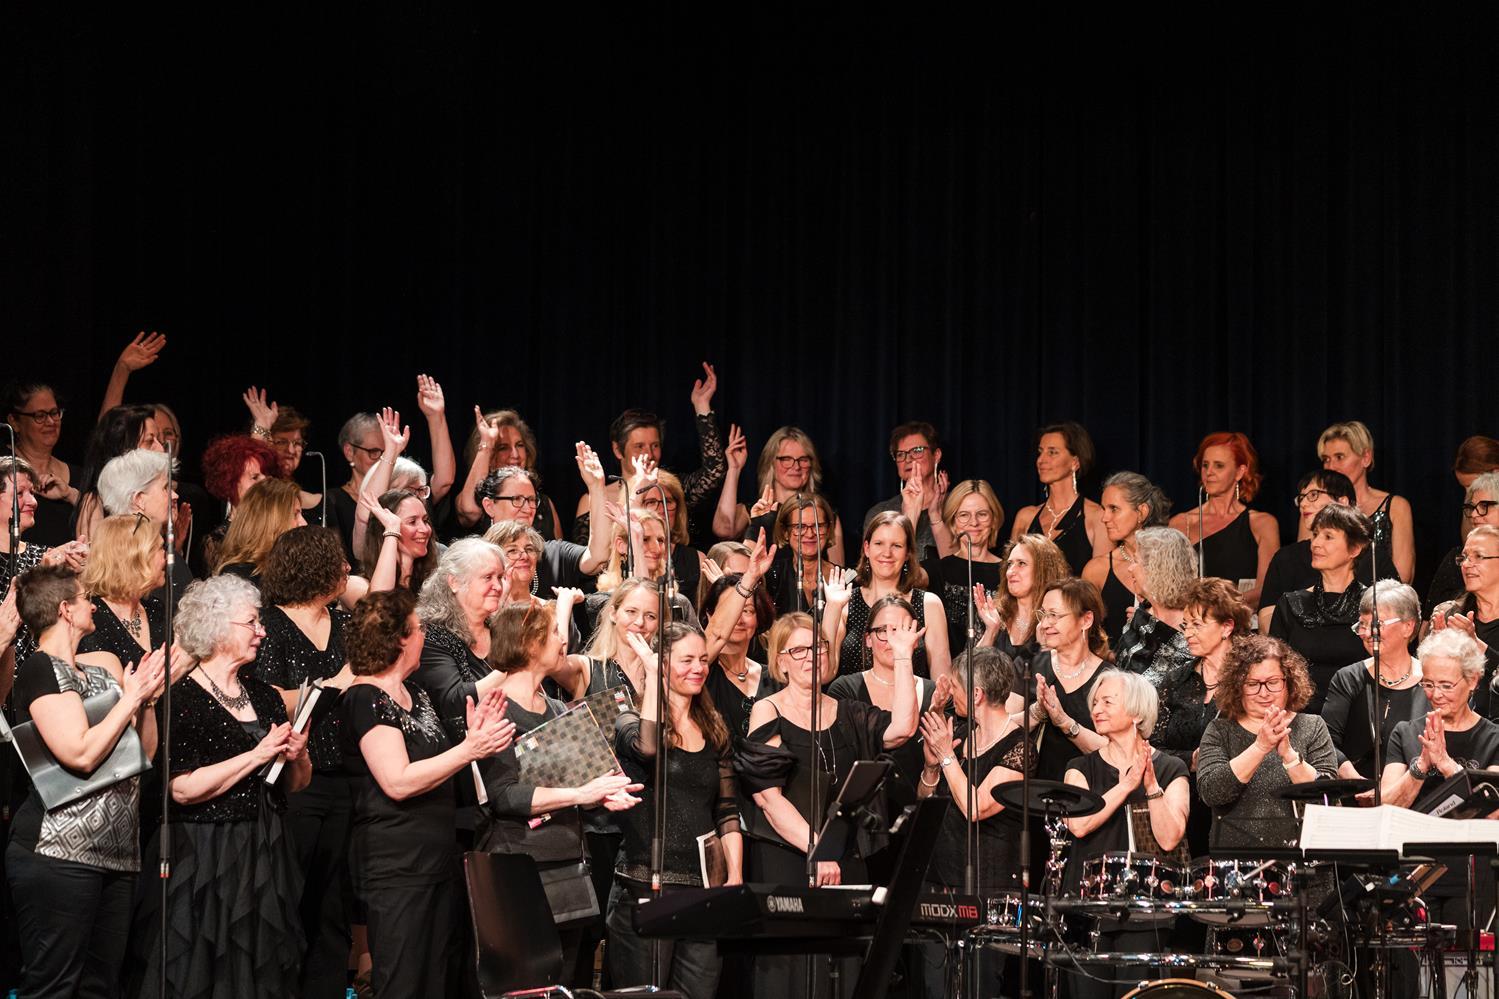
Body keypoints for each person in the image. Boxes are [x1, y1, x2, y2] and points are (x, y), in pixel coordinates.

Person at [133, 574, 310, 999]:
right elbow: (181, 790)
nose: (261, 631)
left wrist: (299, 755)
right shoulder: (181, 698)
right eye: (252, 622)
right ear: (216, 626)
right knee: (201, 971)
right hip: (203, 856)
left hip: (263, 850)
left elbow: (296, 784)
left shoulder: (264, 696)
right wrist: (257, 755)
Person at [343, 589, 515, 998]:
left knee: (439, 982)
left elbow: (441, 763)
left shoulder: (416, 694)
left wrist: (472, 736)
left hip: (438, 859)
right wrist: (468, 749)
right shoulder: (365, 698)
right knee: (404, 983)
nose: (424, 635)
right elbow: (398, 781)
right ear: (400, 639)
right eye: (419, 629)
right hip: (398, 869)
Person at [737, 612, 916, 999]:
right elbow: (768, 798)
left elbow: (902, 728)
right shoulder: (768, 710)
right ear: (781, 661)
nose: (810, 656)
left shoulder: (849, 710)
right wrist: (818, 850)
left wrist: (903, 656)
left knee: (843, 973)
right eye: (798, 650)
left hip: (845, 860)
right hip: (789, 859)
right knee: (790, 974)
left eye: (817, 647)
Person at [6, 564, 164, 998]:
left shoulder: (98, 673)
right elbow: (79, 753)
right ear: (65, 610)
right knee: (54, 987)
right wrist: (129, 699)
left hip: (117, 854)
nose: (93, 606)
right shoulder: (39, 669)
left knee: (101, 987)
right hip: (58, 855)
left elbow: (143, 754)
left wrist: (147, 701)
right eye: (85, 599)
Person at [477, 601, 642, 979]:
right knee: (525, 981)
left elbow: (570, 781)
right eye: (553, 632)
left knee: (568, 978)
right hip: (521, 865)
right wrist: (582, 794)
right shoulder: (496, 708)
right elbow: (505, 795)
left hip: (568, 864)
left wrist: (603, 793)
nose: (562, 639)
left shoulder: (555, 707)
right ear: (529, 643)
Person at [250, 526, 364, 998]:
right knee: (290, 895)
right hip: (297, 778)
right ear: (313, 566)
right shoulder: (271, 624)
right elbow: (264, 699)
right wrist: (331, 686)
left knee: (333, 902)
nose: (347, 568)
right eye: (337, 560)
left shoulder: (345, 623)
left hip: (346, 776)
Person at [607, 623, 744, 999]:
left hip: (701, 891)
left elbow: (726, 809)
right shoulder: (629, 722)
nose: (698, 668)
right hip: (645, 887)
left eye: (703, 659)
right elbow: (648, 748)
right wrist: (652, 676)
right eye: (686, 660)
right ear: (662, 664)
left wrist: (734, 874)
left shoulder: (713, 728)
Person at [1061, 670, 1190, 999]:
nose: (1097, 709)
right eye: (1095, 703)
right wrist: (1126, 785)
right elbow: (1079, 825)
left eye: (1108, 702)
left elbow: (1170, 838)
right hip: (1088, 907)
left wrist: (1151, 787)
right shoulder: (1079, 767)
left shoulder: (1170, 768)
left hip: (1145, 910)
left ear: (1136, 713)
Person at [914, 647, 1029, 999]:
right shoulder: (960, 734)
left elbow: (975, 808)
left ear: (976, 694)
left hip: (987, 888)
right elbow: (926, 800)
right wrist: (932, 766)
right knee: (935, 987)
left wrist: (947, 756)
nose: (951, 695)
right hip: (939, 880)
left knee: (979, 986)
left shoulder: (1019, 747)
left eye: (956, 688)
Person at [1379, 628, 1499, 928]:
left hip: (1474, 874)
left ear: (1473, 681)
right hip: (1414, 870)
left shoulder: (1494, 738)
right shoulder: (1406, 733)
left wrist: (1446, 764)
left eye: (1446, 685)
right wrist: (1421, 765)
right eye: (1429, 684)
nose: (1435, 694)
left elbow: (1493, 810)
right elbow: (1387, 806)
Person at [1196, 636, 1337, 851]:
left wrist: (1289, 756)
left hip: (1304, 861)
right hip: (1238, 862)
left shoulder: (1313, 726)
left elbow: (1327, 799)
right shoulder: (1219, 730)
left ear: (1289, 683)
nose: (1264, 693)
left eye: (1273, 682)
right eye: (1252, 684)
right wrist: (1260, 747)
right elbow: (1213, 793)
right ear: (1237, 687)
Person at [571, 364, 727, 546]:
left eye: (655, 445)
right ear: (617, 450)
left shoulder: (670, 489)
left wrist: (702, 405)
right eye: (639, 446)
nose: (649, 454)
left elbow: (714, 472)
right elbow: (588, 555)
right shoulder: (596, 498)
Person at [1151, 578, 1251, 855]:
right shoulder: (1176, 680)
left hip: (1239, 805)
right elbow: (1154, 747)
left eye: (1197, 624)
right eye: (1186, 625)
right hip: (1184, 803)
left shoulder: (1251, 679)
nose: (1188, 634)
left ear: (1227, 627)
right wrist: (1190, 761)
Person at [828, 594, 938, 808]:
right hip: (862, 813)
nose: (893, 640)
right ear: (868, 639)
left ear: (915, 637)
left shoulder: (933, 692)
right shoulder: (844, 690)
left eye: (900, 630)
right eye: (883, 631)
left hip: (919, 810)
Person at [1267, 504, 1372, 712]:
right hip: (1301, 717)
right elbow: (1274, 669)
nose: (1315, 543)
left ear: (1354, 549)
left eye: (1328, 536)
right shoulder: (1291, 604)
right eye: (1315, 535)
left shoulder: (1373, 605)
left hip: (1357, 715)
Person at [474, 442, 611, 596]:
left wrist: (596, 487)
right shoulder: (474, 559)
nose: (527, 509)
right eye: (517, 499)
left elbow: (598, 557)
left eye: (531, 500)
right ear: (489, 506)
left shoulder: (553, 555)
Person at [1321, 581, 1426, 782]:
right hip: (1356, 793)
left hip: (1417, 793)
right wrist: (1357, 783)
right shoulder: (1348, 678)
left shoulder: (1431, 682)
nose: (1368, 633)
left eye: (1377, 624)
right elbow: (1326, 743)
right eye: (1363, 625)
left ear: (1408, 626)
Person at [830, 511, 950, 681]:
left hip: (913, 697)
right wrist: (831, 607)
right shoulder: (845, 603)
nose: (887, 553)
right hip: (853, 698)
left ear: (908, 552)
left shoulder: (929, 604)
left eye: (897, 546)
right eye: (879, 543)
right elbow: (826, 672)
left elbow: (941, 675)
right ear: (867, 548)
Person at [411, 539, 509, 743]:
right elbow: (453, 701)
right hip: (464, 746)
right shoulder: (431, 634)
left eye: (500, 577)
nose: (498, 586)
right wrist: (512, 668)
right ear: (454, 582)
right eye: (488, 577)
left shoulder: (499, 628)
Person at [1167, 431, 1280, 608]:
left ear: (1240, 472)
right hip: (1191, 619)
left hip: (1241, 619)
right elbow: (1170, 585)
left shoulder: (1262, 523)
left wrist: (1221, 608)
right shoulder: (1181, 523)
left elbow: (1266, 588)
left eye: (1219, 466)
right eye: (1205, 465)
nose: (1209, 472)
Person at [714, 424, 848, 566]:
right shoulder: (753, 511)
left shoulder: (825, 514)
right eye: (786, 459)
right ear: (771, 462)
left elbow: (837, 569)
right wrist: (734, 469)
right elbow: (723, 530)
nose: (796, 466)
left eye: (803, 459)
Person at [0, 457, 89, 668]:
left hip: (43, 674)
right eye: (19, 494)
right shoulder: (43, 565)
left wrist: (80, 575)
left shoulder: (45, 555)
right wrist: (42, 578)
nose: (33, 501)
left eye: (32, 492)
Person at [1024, 578, 1112, 783]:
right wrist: (1037, 711)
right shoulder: (1029, 665)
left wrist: (1065, 722)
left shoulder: (1109, 679)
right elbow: (1004, 729)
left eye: (1054, 615)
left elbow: (1115, 751)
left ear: (1086, 620)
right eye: (1043, 615)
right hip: (1031, 790)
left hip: (1086, 792)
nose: (1045, 624)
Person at [1257, 469, 1358, 633]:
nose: (1303, 504)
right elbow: (1267, 616)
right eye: (1301, 498)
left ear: (1342, 502)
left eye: (1313, 495)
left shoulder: (1372, 555)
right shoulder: (1286, 558)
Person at [1315, 420, 1416, 583]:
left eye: (1339, 457)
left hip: (1381, 596)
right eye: (1326, 459)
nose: (1331, 466)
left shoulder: (1395, 506)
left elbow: (1403, 575)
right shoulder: (1315, 506)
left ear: (1366, 458)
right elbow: (1304, 568)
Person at [1082, 472, 1171, 643]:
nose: (1104, 518)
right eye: (1104, 509)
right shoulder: (1096, 570)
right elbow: (1086, 634)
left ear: (1142, 512)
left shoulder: (1172, 564)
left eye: (1114, 509)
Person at [1009, 422, 1109, 575]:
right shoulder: (1025, 517)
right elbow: (1010, 574)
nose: (1041, 460)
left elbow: (1100, 581)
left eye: (1052, 452)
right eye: (1040, 452)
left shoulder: (1097, 517)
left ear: (1075, 462)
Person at [455, 407, 565, 540]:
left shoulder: (544, 503)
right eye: (503, 447)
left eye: (519, 445)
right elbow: (469, 511)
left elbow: (558, 550)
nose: (515, 454)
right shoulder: (476, 498)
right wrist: (487, 444)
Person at [921, 479, 1006, 649]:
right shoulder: (936, 570)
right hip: (947, 665)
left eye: (982, 514)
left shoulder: (1010, 572)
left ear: (994, 519)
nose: (973, 522)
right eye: (964, 515)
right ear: (953, 522)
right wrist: (912, 508)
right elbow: (899, 574)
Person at [76, 513, 167, 672]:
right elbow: (105, 685)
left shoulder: (156, 608)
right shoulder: (92, 618)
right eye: (160, 548)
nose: (166, 555)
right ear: (136, 558)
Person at [1430, 524, 1499, 720]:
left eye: (1478, 556)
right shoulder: (1450, 613)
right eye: (1465, 557)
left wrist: (1476, 646)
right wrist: (1438, 649)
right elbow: (1430, 682)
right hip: (1456, 723)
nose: (1467, 564)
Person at [1113, 527, 1197, 682]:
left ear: (1156, 570)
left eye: (1136, 561)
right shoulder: (1141, 615)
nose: (1130, 568)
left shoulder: (1192, 629)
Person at [974, 534, 1070, 665]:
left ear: (1044, 570)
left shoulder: (1059, 619)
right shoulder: (992, 615)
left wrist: (1043, 647)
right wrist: (991, 631)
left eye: (1021, 563)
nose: (1010, 572)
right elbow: (969, 673)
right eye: (1009, 564)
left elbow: (1062, 670)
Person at [73, 404, 165, 541]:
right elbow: (98, 554)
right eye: (150, 441)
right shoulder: (95, 504)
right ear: (124, 448)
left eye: (159, 440)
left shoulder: (154, 497)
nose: (161, 449)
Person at [4, 378, 78, 546]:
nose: (51, 422)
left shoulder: (78, 476)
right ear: (14, 421)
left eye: (54, 413)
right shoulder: (3, 466)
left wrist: (71, 494)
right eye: (40, 416)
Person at [863, 420, 950, 564]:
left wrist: (935, 515)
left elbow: (959, 567)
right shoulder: (881, 513)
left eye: (917, 451)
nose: (908, 459)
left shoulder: (957, 507)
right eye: (900, 454)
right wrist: (910, 514)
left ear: (936, 455)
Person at [1426, 472, 1499, 614]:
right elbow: (1427, 624)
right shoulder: (1455, 559)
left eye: (1484, 506)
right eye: (1472, 508)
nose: (1474, 515)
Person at [760, 492, 843, 616]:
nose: (810, 534)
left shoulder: (845, 580)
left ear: (828, 529)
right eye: (800, 527)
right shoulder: (772, 577)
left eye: (818, 526)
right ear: (785, 532)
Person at [213, 478, 307, 585]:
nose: (304, 523)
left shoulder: (291, 569)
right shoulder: (238, 579)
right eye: (295, 514)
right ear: (270, 521)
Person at [356, 489, 437, 593]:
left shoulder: (433, 581)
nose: (425, 529)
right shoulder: (355, 584)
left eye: (425, 521)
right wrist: (392, 530)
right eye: (412, 522)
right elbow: (380, 599)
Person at [329, 412, 385, 561]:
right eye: (374, 452)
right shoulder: (333, 501)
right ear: (349, 452)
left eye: (386, 453)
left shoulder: (395, 494)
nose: (382, 460)